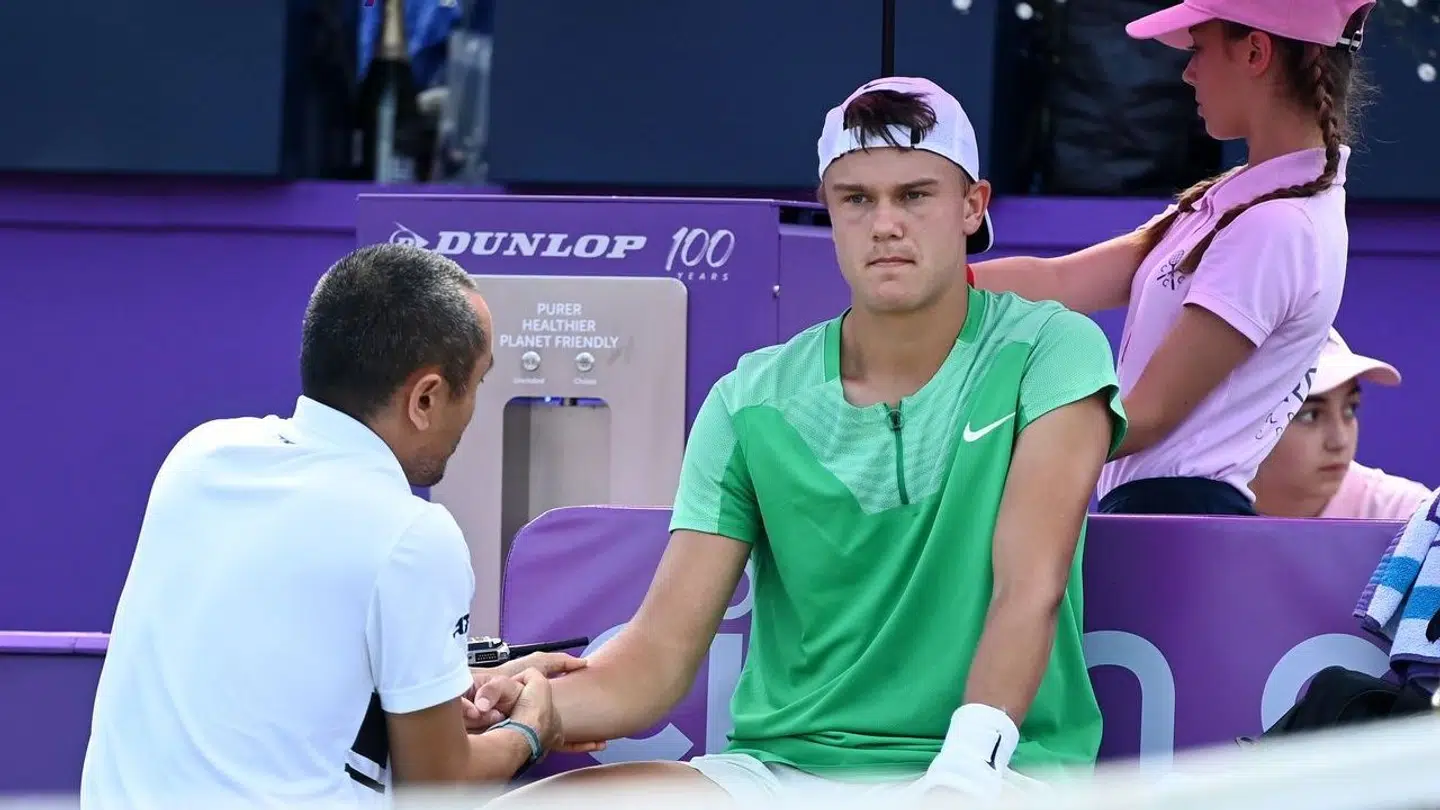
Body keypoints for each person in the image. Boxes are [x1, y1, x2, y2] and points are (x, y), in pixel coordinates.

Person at [491, 77, 1127, 806]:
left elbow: (1031, 587)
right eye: (856, 199)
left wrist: (961, 774)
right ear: (828, 210)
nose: (885, 223)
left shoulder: (1054, 349)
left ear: (971, 206)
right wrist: (525, 710)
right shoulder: (748, 397)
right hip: (780, 775)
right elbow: (653, 665)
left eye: (914, 195)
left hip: (993, 771)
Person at [80, 244, 582, 810]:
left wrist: (452, 680)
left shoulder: (198, 457)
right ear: (425, 398)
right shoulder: (414, 537)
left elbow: (274, 675)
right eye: (478, 384)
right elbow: (438, 784)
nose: (472, 412)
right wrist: (531, 729)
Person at [971, 0, 1376, 515]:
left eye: (1198, 49)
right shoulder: (1245, 203)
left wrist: (975, 440)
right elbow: (1062, 280)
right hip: (1163, 513)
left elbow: (1147, 414)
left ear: (1255, 52)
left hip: (1178, 520)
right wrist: (926, 294)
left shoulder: (1278, 225)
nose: (1187, 72)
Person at [1251, 329, 1432, 520]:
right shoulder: (1223, 503)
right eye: (1310, 415)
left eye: (1350, 409)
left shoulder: (1410, 515)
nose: (1339, 441)